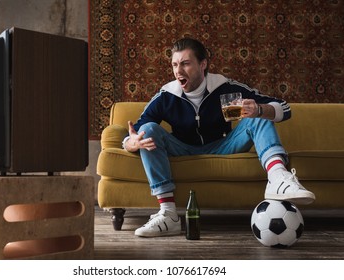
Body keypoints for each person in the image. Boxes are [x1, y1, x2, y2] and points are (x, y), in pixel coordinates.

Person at [122, 38, 315, 237]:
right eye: (175, 64)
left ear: (203, 64)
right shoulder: (167, 95)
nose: (178, 71)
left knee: (259, 115)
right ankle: (168, 215)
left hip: (224, 145)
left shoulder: (226, 88)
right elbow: (133, 133)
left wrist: (259, 109)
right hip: (183, 147)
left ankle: (278, 179)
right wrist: (132, 143)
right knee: (148, 129)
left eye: (186, 63)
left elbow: (285, 108)